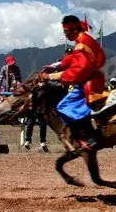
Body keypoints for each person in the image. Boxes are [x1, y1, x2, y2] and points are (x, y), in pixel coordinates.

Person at [40, 15, 107, 151]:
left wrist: (51, 76)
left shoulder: (82, 44)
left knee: (64, 106)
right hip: (91, 78)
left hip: (89, 81)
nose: (65, 35)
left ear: (74, 29)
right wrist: (56, 66)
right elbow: (73, 58)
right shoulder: (83, 40)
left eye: (66, 32)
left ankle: (88, 137)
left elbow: (77, 71)